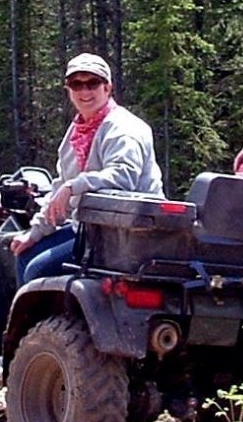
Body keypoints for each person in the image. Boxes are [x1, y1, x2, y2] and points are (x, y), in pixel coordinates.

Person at [10, 53, 163, 284]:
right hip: (91, 230)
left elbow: (123, 177)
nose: (84, 91)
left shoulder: (124, 128)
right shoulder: (76, 132)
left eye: (92, 83)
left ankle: (63, 321)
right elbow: (59, 190)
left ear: (107, 87)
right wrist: (35, 232)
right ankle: (38, 320)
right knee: (25, 253)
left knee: (38, 270)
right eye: (76, 84)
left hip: (129, 235)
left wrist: (75, 186)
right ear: (68, 89)